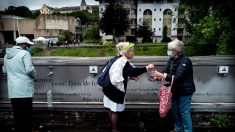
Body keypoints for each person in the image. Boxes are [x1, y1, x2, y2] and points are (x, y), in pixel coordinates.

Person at [102, 42, 154, 132]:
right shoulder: (123, 62)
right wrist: (147, 67)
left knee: (110, 109)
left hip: (108, 88)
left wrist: (129, 76)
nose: (133, 53)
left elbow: (119, 72)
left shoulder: (115, 59)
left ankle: (111, 126)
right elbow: (133, 71)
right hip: (115, 90)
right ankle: (114, 130)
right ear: (126, 52)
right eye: (132, 51)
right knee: (114, 110)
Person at [149, 39, 195, 132]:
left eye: (170, 50)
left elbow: (177, 77)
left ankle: (188, 130)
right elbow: (165, 71)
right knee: (175, 110)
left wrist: (160, 75)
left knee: (184, 112)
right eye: (168, 49)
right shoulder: (171, 59)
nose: (168, 51)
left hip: (185, 91)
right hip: (175, 90)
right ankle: (178, 129)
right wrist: (156, 77)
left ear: (177, 51)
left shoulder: (185, 61)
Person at [3, 36, 36, 132]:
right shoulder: (25, 54)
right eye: (28, 45)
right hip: (24, 88)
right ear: (23, 45)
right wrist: (34, 75)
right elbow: (29, 69)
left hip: (13, 89)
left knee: (17, 114)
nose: (29, 47)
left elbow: (5, 70)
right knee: (26, 114)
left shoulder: (6, 55)